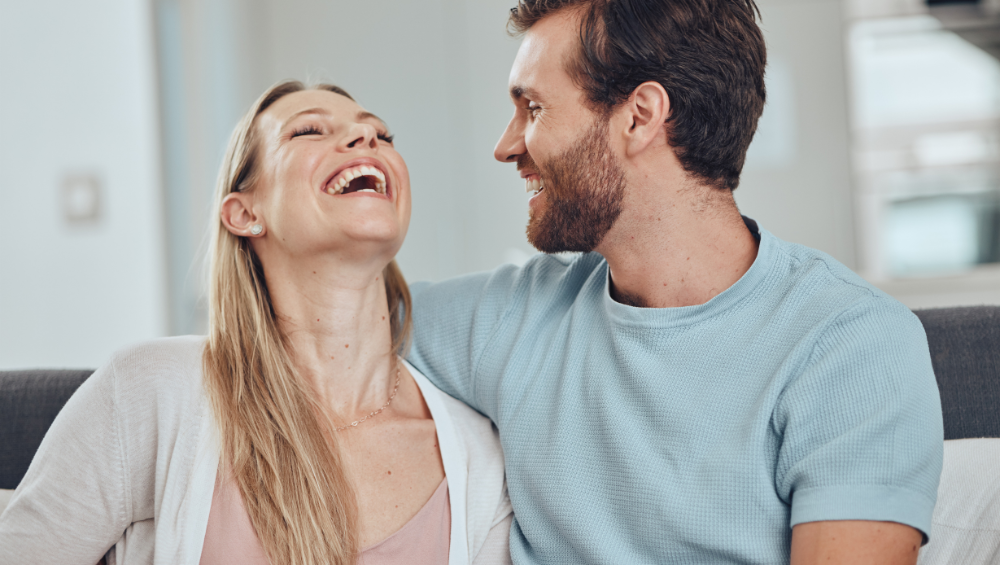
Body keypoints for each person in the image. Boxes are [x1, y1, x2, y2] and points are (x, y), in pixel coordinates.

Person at [406, 1, 944, 564]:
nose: (506, 146)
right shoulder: (521, 312)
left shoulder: (850, 345)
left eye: (533, 108)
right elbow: (346, 320)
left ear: (640, 116)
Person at [0, 81, 512, 565]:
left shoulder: (478, 460)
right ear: (244, 214)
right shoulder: (147, 392)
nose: (366, 136)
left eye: (382, 133)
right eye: (308, 130)